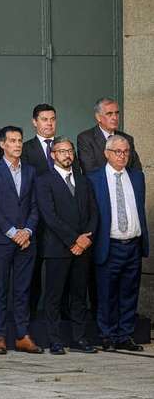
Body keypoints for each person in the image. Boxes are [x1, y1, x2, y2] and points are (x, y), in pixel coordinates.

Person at [35, 137, 98, 355]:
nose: (67, 155)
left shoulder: (83, 180)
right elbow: (49, 217)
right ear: (53, 155)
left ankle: (79, 339)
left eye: (70, 151)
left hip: (83, 249)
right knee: (54, 297)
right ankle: (55, 341)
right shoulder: (44, 180)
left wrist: (85, 239)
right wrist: (74, 240)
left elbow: (94, 213)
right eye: (62, 151)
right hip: (57, 248)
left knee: (79, 296)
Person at [88, 134, 148, 352]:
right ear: (107, 153)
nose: (122, 156)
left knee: (129, 292)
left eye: (126, 152)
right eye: (117, 152)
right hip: (109, 245)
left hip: (133, 243)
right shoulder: (94, 179)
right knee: (106, 293)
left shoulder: (137, 177)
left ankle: (125, 335)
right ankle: (107, 335)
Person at [0, 126, 42, 355]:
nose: (17, 144)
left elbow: (34, 206)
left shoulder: (30, 171)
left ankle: (22, 335)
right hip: (1, 239)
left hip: (26, 241)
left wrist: (27, 231)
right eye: (12, 141)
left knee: (22, 290)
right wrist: (12, 232)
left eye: (20, 140)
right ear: (2, 144)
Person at [77, 97, 142, 173]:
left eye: (117, 113)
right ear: (98, 117)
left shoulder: (127, 139)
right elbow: (90, 170)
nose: (115, 117)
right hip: (100, 184)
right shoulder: (85, 139)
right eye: (109, 114)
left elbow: (137, 169)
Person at [23, 103, 58, 174]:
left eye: (52, 119)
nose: (49, 123)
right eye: (45, 119)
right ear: (34, 122)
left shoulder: (66, 145)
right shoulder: (25, 149)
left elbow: (76, 175)